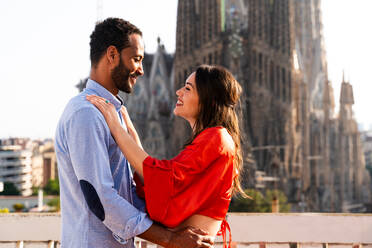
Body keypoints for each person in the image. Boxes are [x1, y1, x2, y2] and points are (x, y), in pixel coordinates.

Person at [55, 18, 213, 248]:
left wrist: (178, 223)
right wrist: (170, 239)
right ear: (112, 55)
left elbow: (126, 195)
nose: (140, 69)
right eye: (136, 59)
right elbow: (100, 199)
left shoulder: (111, 113)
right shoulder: (86, 114)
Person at [86, 64, 248, 247]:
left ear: (209, 100)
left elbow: (166, 180)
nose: (178, 92)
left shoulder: (217, 137)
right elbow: (166, 183)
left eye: (188, 88)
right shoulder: (212, 139)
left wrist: (115, 126)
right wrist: (131, 133)